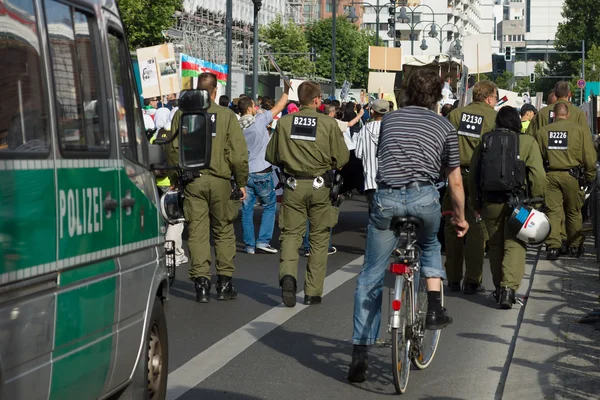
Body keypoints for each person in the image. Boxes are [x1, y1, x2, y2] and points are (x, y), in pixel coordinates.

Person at [348, 69, 468, 383]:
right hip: (423, 197)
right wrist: (460, 217)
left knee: (371, 274)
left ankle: (360, 349)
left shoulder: (389, 120)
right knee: (430, 245)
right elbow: (454, 181)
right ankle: (433, 310)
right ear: (438, 96)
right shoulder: (445, 126)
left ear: (407, 93)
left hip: (386, 198)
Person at [265, 81, 349, 307]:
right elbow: (342, 158)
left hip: (292, 185)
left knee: (291, 235)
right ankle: (312, 292)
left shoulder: (284, 123)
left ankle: (288, 276)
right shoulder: (328, 123)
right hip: (320, 186)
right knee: (319, 238)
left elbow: (271, 156)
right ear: (316, 100)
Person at [166, 72, 249, 303]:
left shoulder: (183, 115)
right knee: (223, 231)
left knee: (197, 232)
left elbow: (172, 149)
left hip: (193, 181)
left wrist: (174, 176)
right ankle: (224, 283)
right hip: (221, 180)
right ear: (215, 92)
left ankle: (201, 284)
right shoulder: (226, 115)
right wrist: (241, 182)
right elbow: (239, 155)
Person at [469, 106, 547, 309]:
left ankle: (498, 288)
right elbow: (538, 175)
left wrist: (476, 203)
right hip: (519, 205)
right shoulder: (528, 142)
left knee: (495, 245)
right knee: (516, 242)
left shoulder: (486, 140)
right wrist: (537, 202)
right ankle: (508, 288)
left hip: (490, 202)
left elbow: (474, 174)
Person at [444, 80, 498, 294]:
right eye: (494, 98)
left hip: (453, 174)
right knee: (477, 228)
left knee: (452, 224)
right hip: (479, 178)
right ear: (488, 98)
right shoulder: (493, 117)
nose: (494, 103)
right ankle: (472, 280)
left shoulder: (456, 115)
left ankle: (453, 278)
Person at [535, 102, 596, 260]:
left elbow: (537, 157)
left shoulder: (543, 132)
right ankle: (575, 246)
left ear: (554, 115)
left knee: (553, 212)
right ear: (567, 115)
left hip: (550, 176)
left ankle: (554, 246)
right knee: (573, 211)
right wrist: (590, 177)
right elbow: (589, 157)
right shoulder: (579, 131)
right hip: (572, 176)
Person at [238, 82, 291, 254]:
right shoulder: (260, 121)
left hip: (245, 173)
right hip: (262, 171)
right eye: (254, 105)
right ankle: (263, 240)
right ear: (250, 108)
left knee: (246, 210)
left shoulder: (235, 126)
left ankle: (249, 245)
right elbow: (280, 106)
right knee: (269, 205)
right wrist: (286, 90)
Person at [354, 99, 388, 207]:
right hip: (388, 180)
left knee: (373, 214)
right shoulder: (391, 129)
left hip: (370, 180)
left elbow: (358, 154)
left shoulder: (364, 129)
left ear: (372, 111)